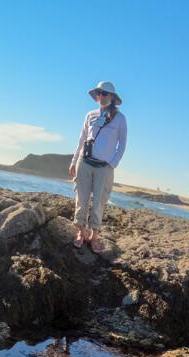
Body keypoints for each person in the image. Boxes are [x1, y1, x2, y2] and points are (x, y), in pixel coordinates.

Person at [68, 81, 127, 253]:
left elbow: (122, 145)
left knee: (99, 203)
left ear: (112, 97)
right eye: (99, 93)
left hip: (104, 167)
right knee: (81, 199)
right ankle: (80, 232)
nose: (101, 96)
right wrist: (73, 162)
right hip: (84, 163)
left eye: (105, 94)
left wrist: (112, 165)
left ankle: (94, 237)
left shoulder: (120, 118)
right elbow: (81, 140)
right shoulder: (90, 115)